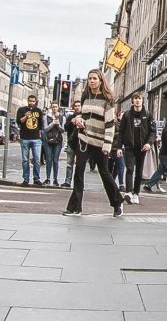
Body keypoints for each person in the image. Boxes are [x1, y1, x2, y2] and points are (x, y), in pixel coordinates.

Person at [63, 69, 122, 217]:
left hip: (100, 142)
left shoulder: (107, 100)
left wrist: (107, 146)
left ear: (101, 80)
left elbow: (110, 125)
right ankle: (75, 207)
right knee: (79, 171)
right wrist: (79, 120)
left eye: (95, 78)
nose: (92, 81)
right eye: (89, 78)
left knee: (104, 173)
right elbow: (82, 115)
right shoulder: (85, 96)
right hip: (84, 139)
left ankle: (117, 202)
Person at [117, 93, 153, 203]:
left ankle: (136, 193)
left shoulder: (147, 115)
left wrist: (149, 143)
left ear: (143, 101)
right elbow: (121, 132)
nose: (137, 101)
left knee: (139, 171)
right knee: (130, 168)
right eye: (135, 99)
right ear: (132, 101)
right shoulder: (127, 115)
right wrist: (118, 147)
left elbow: (153, 131)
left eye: (139, 99)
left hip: (142, 147)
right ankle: (128, 192)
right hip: (129, 146)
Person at [15, 94, 46, 186]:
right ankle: (25, 179)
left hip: (36, 138)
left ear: (35, 102)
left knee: (37, 159)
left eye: (33, 101)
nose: (31, 103)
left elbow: (41, 124)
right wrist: (26, 116)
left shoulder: (38, 111)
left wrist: (40, 133)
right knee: (25, 160)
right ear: (27, 101)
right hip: (25, 137)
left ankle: (36, 178)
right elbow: (19, 122)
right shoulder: (22, 110)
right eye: (30, 101)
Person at [41, 110, 64, 187]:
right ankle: (48, 178)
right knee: (48, 160)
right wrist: (52, 123)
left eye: (56, 107)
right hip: (48, 141)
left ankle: (55, 179)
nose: (54, 109)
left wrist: (58, 125)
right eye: (53, 107)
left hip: (58, 141)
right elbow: (45, 129)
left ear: (58, 108)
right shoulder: (46, 117)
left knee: (55, 160)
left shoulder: (62, 117)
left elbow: (62, 130)